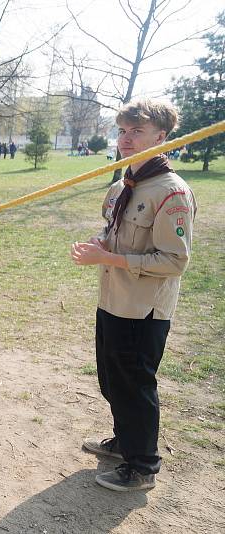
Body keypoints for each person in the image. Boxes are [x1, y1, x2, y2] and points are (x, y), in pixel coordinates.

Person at [71, 99, 197, 492]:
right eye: (122, 130)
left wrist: (107, 256)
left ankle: (142, 467)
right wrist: (100, 243)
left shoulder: (172, 192)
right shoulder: (121, 184)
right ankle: (125, 443)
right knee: (112, 381)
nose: (125, 139)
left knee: (135, 386)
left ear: (161, 137)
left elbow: (174, 261)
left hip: (143, 310)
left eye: (136, 132)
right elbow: (113, 233)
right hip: (112, 300)